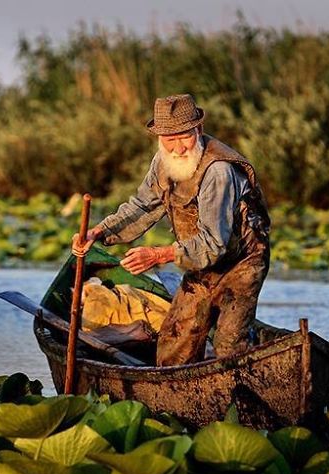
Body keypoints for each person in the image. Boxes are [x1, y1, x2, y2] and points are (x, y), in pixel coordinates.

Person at [72, 93, 270, 366]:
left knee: (229, 344)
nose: (178, 148)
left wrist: (158, 255)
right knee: (175, 339)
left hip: (242, 261)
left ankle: (239, 397)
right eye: (169, 139)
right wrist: (99, 232)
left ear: (198, 130)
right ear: (158, 138)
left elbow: (213, 243)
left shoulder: (218, 171)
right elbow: (143, 207)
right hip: (202, 261)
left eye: (184, 136)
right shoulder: (162, 163)